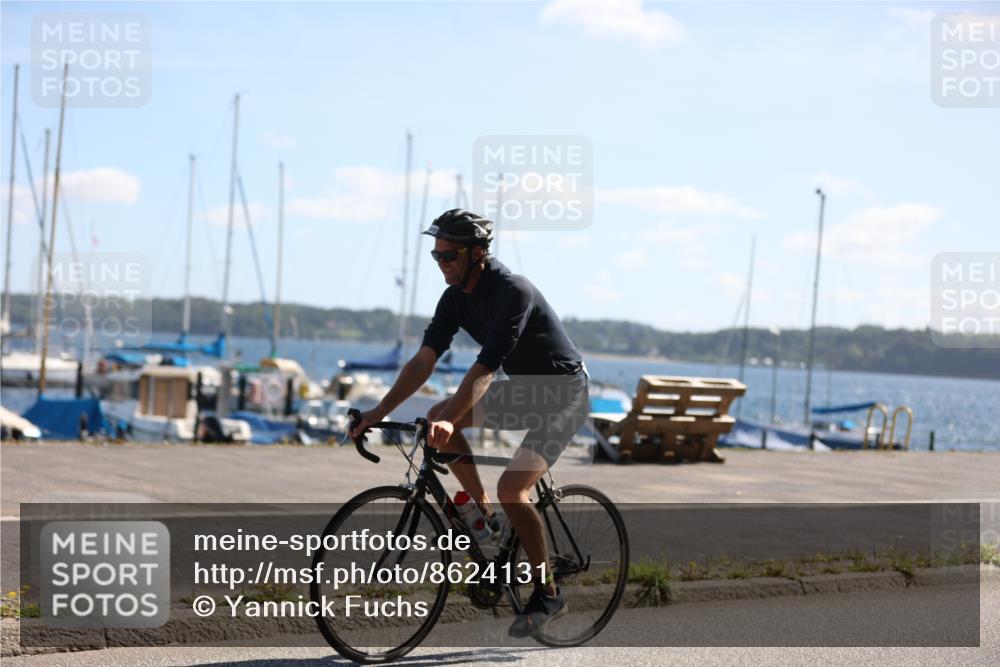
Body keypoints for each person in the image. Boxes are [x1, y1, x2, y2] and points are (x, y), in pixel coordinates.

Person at [350, 208, 590, 637]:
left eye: (449, 256)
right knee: (440, 416)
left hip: (563, 395)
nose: (441, 264)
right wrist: (378, 413)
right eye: (436, 256)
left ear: (477, 253)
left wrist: (453, 416)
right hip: (526, 391)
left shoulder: (513, 291)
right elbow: (425, 359)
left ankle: (549, 590)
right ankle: (485, 519)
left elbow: (485, 368)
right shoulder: (455, 297)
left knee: (513, 488)